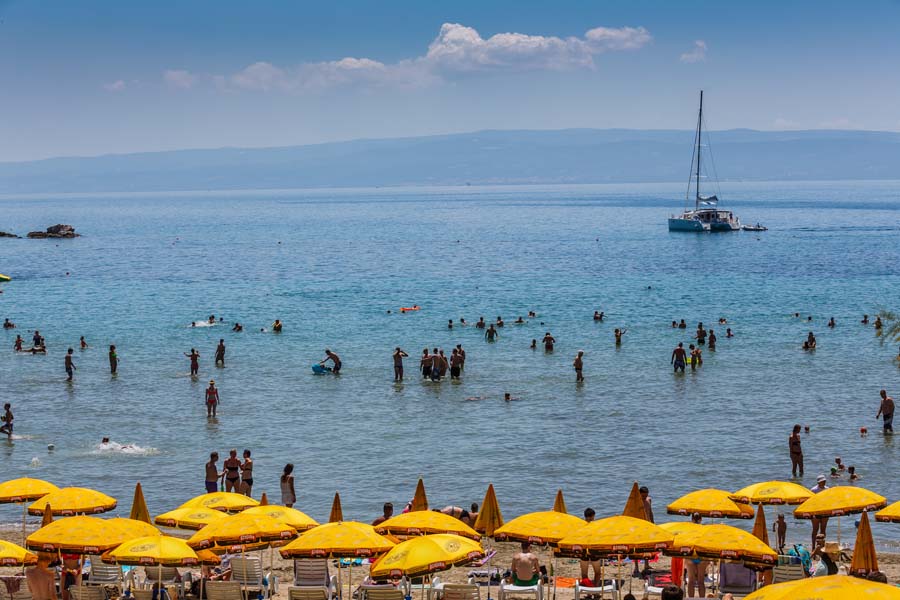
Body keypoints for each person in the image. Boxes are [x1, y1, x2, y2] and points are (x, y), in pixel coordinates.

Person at [580, 508, 602, 585]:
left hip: (583, 551)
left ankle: (588, 589)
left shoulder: (581, 526)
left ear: (585, 516)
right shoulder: (596, 526)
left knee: (584, 574)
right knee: (597, 573)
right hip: (594, 551)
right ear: (593, 516)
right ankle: (595, 589)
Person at [809, 476, 829, 546]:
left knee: (823, 529)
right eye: (822, 481)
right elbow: (810, 502)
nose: (824, 482)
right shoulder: (813, 490)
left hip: (825, 510)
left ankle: (822, 545)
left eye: (824, 481)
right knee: (815, 529)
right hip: (815, 511)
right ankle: (813, 545)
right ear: (818, 482)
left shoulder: (827, 489)